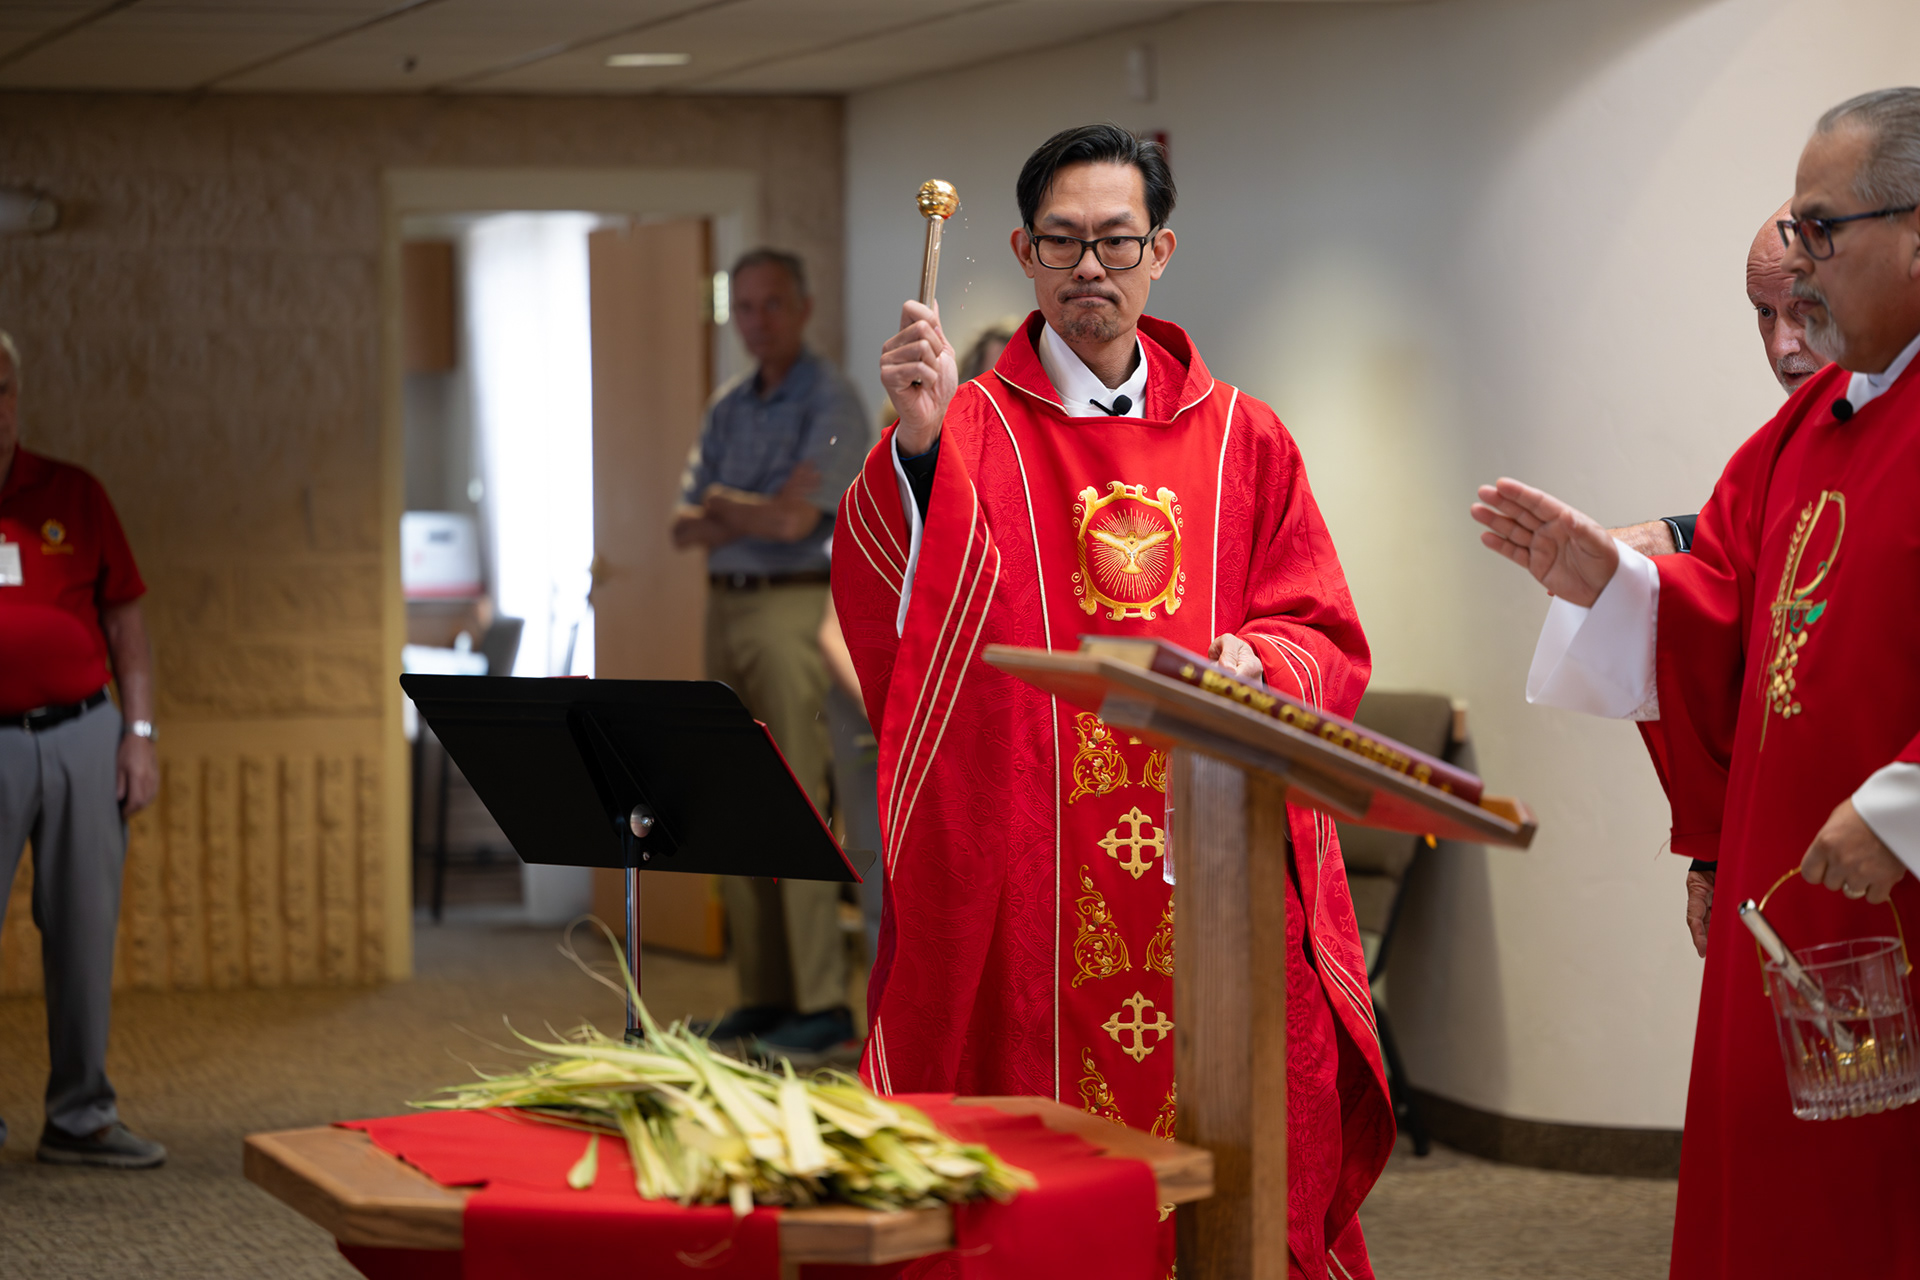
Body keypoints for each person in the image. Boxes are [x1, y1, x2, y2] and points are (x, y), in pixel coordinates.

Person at [833, 125, 1391, 1279]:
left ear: (1161, 250)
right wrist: (921, 451)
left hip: (1216, 862)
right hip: (1033, 859)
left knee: (1235, 1159)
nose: (1091, 266)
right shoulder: (972, 425)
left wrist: (1256, 664)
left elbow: (1322, 630)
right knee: (1041, 1179)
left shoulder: (1244, 434)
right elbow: (907, 610)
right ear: (1023, 254)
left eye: (1116, 241)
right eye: (1064, 241)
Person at [1472, 88, 1920, 1277]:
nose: (1802, 266)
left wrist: (1903, 809)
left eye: (1823, 231)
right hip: (1790, 912)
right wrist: (1615, 579)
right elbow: (1722, 601)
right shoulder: (1806, 425)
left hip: (1900, 895)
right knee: (1775, 1206)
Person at [1603, 201, 1829, 957]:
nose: (1783, 346)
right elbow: (1741, 578)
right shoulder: (1771, 452)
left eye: (1804, 311)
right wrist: (1638, 562)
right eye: (1763, 315)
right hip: (1781, 838)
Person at [671, 250, 867, 1059]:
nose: (758, 321)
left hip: (796, 610)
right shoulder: (726, 406)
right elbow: (684, 524)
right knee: (736, 800)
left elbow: (798, 524)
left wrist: (729, 507)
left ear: (804, 306)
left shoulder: (831, 399)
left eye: (772, 305)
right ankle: (763, 994)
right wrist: (748, 510)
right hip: (726, 609)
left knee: (795, 801)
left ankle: (820, 1001)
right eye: (745, 308)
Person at [0, 329, 165, 1169]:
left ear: (17, 397)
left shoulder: (73, 492)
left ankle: (79, 1115)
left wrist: (138, 734)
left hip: (82, 737)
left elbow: (125, 619)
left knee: (83, 929)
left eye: (0, 388)